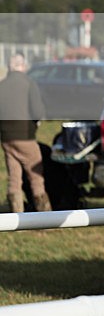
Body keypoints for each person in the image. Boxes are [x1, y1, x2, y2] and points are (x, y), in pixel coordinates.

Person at [0, 53, 51, 213]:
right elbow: (37, 111)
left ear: (10, 67)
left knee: (14, 178)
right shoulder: (29, 83)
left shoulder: (2, 85)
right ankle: (45, 216)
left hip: (6, 137)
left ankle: (16, 216)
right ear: (23, 66)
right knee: (36, 175)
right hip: (25, 136)